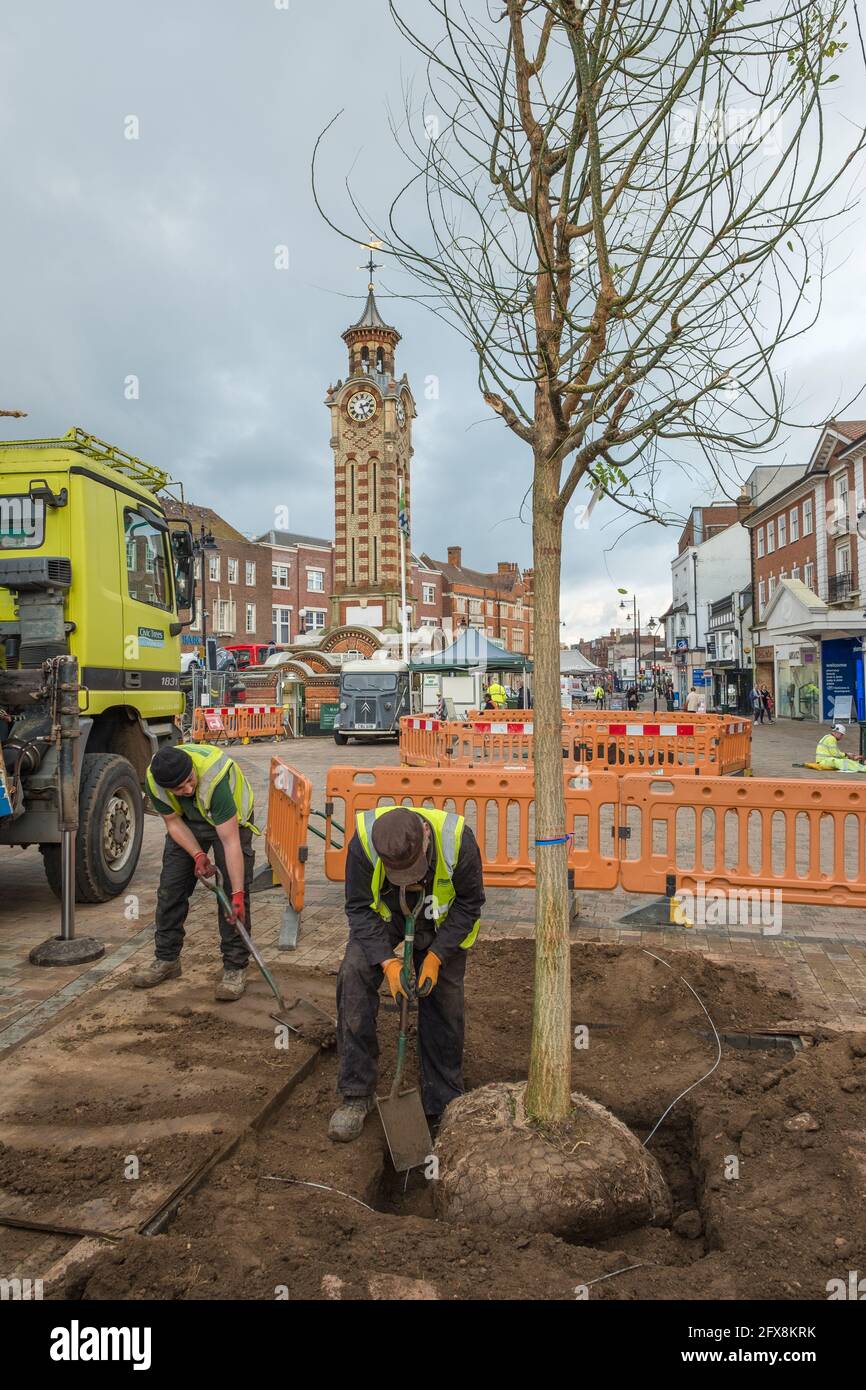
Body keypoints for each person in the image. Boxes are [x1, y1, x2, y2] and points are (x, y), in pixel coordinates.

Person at [329, 805, 485, 1142]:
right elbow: (358, 907)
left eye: (414, 869)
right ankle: (356, 1092)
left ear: (426, 836)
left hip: (442, 920)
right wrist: (388, 962)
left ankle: (442, 1099)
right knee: (353, 974)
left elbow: (470, 903)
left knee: (444, 998)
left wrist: (436, 957)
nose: (410, 878)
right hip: (387, 916)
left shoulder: (458, 840)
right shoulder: (364, 842)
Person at [132, 744, 258, 999]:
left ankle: (235, 967)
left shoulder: (215, 779)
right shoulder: (155, 782)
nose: (188, 789)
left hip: (230, 821)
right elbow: (172, 822)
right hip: (187, 821)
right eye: (179, 789)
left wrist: (237, 893)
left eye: (190, 780)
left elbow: (231, 842)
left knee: (232, 897)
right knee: (171, 890)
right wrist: (198, 855)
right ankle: (167, 959)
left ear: (192, 768)